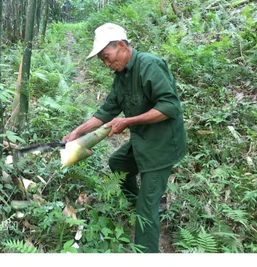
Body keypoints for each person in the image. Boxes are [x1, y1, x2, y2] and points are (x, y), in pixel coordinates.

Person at [62, 22, 187, 253]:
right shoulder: (121, 75)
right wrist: (78, 132)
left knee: (146, 211)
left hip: (161, 146)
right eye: (103, 61)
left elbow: (170, 106)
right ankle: (135, 201)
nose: (108, 64)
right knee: (118, 163)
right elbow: (107, 110)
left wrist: (128, 122)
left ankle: (146, 251)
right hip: (142, 141)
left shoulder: (150, 65)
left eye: (108, 58)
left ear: (121, 45)